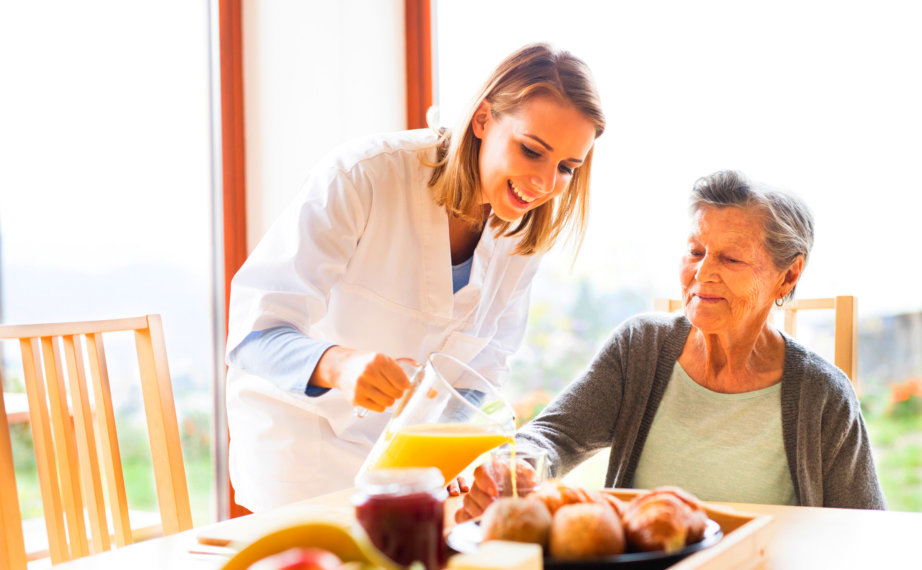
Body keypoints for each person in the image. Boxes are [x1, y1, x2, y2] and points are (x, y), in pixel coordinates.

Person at [224, 43, 605, 512]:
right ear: (483, 119)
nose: (545, 185)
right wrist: (338, 365)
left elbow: (482, 367)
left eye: (567, 168)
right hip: (301, 450)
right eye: (531, 151)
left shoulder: (522, 231)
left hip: (406, 466)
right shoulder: (363, 176)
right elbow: (252, 332)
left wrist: (465, 451)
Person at [459, 170, 886, 521]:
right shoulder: (640, 348)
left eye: (731, 259)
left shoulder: (822, 395)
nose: (702, 274)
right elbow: (555, 434)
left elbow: (866, 529)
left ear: (788, 276)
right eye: (696, 251)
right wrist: (516, 467)